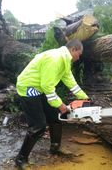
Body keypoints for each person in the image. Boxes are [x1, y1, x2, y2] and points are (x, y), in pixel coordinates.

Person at [15, 39, 89, 168]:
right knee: (38, 126)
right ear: (74, 49)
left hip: (40, 88)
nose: (78, 58)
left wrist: (84, 98)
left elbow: (70, 80)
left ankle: (55, 147)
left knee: (55, 117)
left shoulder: (64, 60)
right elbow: (47, 86)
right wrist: (60, 104)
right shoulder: (55, 59)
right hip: (29, 88)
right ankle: (21, 159)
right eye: (79, 54)